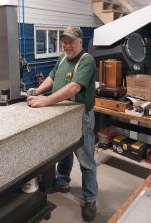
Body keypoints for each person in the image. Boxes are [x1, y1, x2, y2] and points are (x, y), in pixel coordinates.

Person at [27, 26, 98, 222]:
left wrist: (46, 101)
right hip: (64, 115)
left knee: (86, 160)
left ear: (80, 42)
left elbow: (74, 87)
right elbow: (51, 77)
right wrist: (38, 92)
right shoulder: (62, 58)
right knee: (64, 151)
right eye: (64, 42)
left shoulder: (87, 60)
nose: (67, 46)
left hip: (80, 117)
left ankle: (90, 198)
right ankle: (62, 180)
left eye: (71, 42)